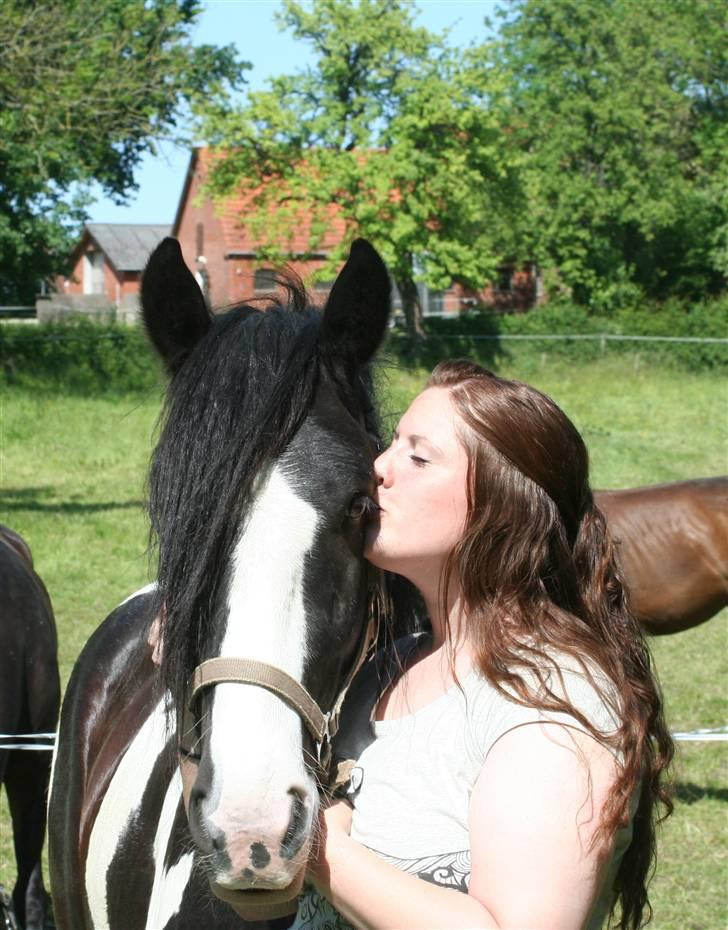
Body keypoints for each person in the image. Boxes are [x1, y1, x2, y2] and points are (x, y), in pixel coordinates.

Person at [292, 359, 673, 930]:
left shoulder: (551, 708)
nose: (378, 469)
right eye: (392, 445)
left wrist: (318, 848)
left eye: (419, 458)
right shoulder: (390, 666)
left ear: (501, 506)